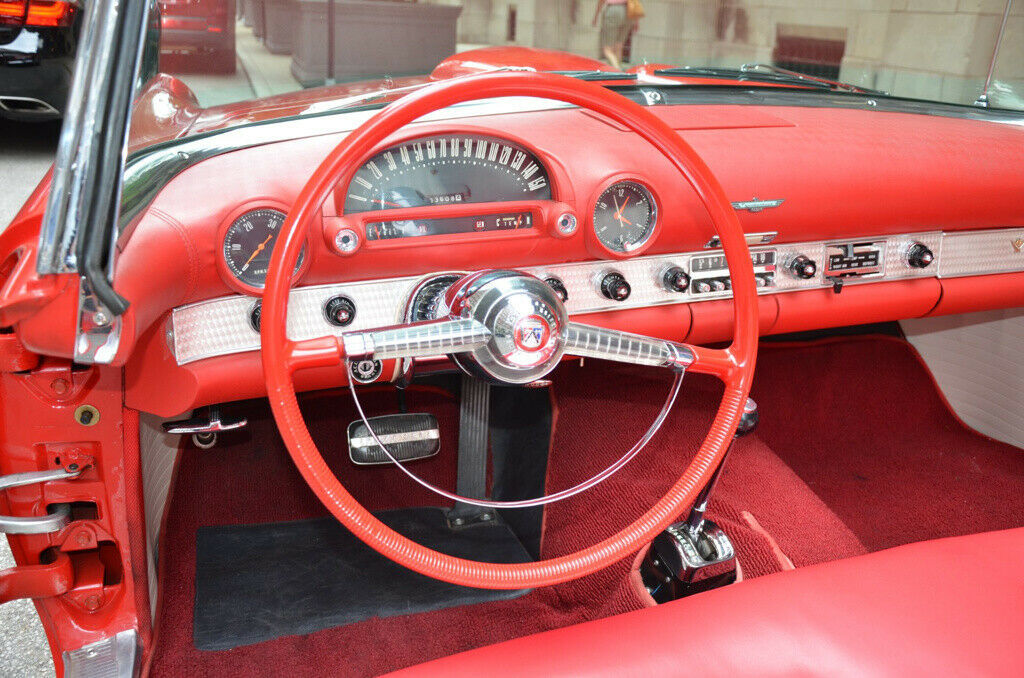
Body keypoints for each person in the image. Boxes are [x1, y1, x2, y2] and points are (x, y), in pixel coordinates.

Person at [592, 0, 634, 71]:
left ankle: (618, 70)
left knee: (607, 49)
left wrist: (596, 16)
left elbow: (601, 1)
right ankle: (617, 69)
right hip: (629, 11)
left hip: (613, 10)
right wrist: (636, 21)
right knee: (619, 46)